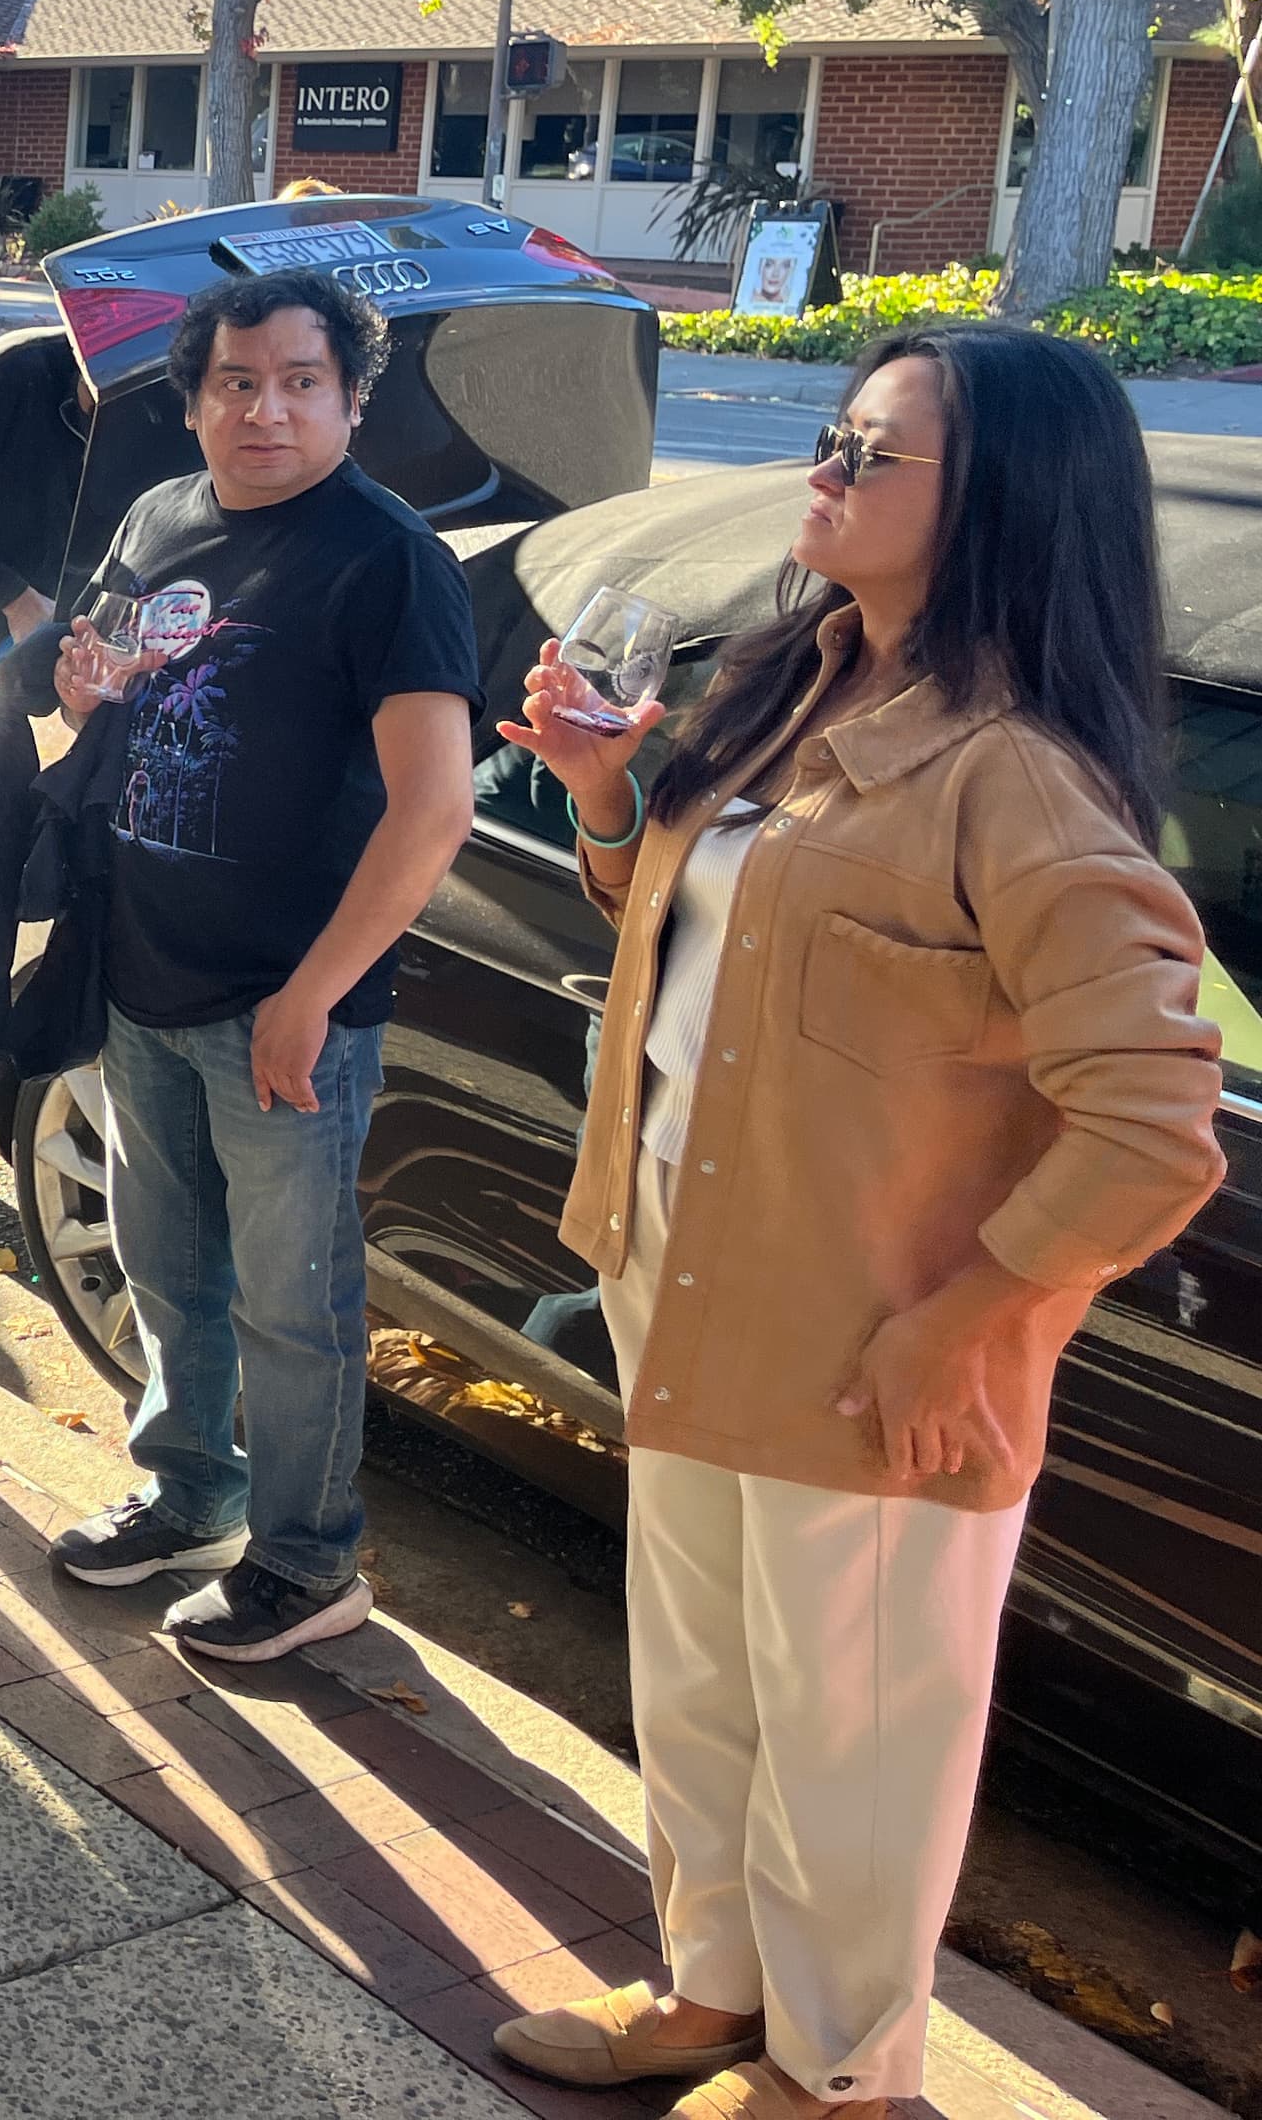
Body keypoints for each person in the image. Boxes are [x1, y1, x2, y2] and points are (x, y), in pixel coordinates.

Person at [487, 326, 1222, 2120]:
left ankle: (841, 2076)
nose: (822, 468)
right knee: (706, 1679)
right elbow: (715, 954)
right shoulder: (800, 682)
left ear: (998, 505)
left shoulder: (1016, 777)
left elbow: (1155, 1122)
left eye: (870, 453)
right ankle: (712, 1993)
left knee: (858, 1737)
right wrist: (607, 803)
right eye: (833, 433)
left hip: (875, 1340)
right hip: (689, 1270)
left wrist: (965, 1322)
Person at [40, 268, 477, 1661]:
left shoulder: (388, 560)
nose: (266, 410)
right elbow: (113, 680)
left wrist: (316, 996)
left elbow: (435, 808)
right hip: (145, 971)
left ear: (352, 400)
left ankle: (307, 1560)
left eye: (301, 383)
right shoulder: (160, 517)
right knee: (169, 1267)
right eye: (238, 382)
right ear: (195, 400)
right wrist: (87, 690)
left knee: (296, 1302)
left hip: (288, 1003)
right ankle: (188, 1495)